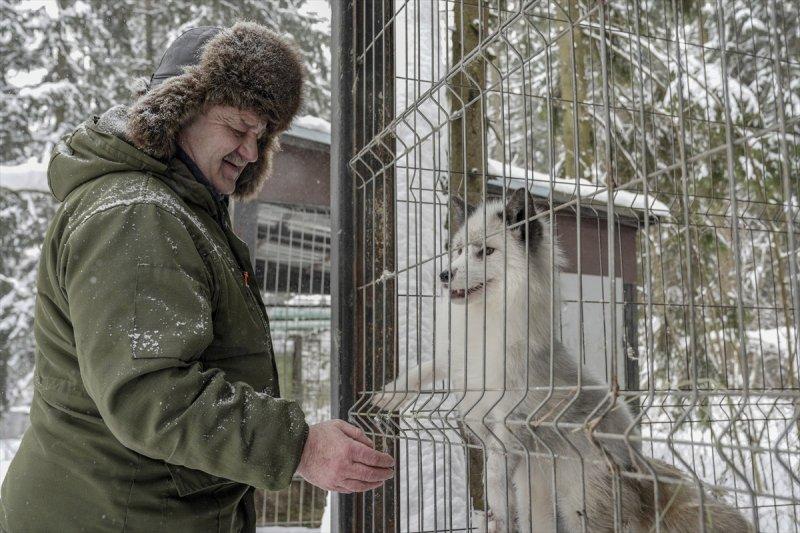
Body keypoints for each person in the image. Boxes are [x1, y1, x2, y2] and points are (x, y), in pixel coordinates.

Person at [0, 22, 393, 532]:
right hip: (115, 515)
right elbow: (151, 393)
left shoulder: (175, 211)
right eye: (238, 128)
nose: (250, 152)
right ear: (179, 109)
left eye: (261, 136)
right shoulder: (138, 214)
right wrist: (298, 446)